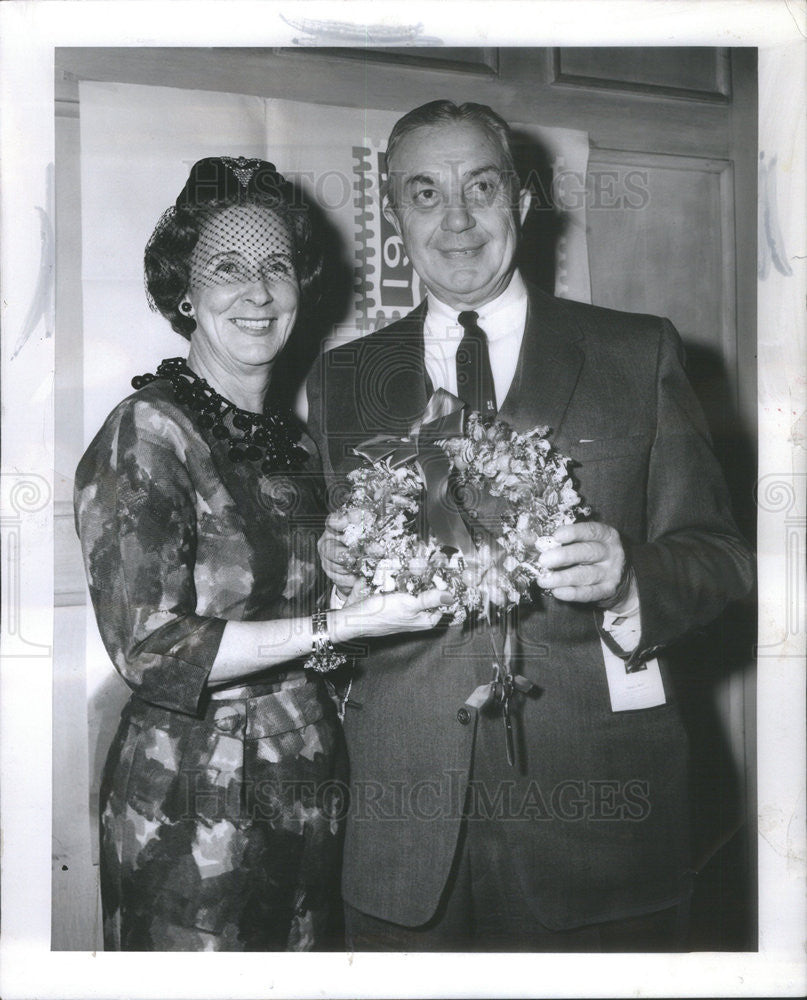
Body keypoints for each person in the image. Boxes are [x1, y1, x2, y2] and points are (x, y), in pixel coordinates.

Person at [307, 102, 755, 952]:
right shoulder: (342, 379)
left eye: (480, 186)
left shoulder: (635, 352)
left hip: (599, 824)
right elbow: (335, 584)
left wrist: (630, 580)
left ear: (519, 199)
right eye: (425, 193)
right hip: (405, 832)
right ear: (396, 216)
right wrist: (334, 568)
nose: (458, 219)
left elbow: (722, 559)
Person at [74, 156, 451, 952]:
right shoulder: (148, 431)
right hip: (192, 795)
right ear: (184, 290)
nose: (257, 290)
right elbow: (152, 650)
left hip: (309, 778)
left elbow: (296, 599)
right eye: (226, 267)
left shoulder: (296, 441)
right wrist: (340, 627)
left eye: (276, 265)